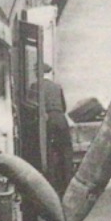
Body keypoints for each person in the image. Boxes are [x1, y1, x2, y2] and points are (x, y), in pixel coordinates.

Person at [28, 64, 74, 192]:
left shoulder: (35, 86)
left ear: (38, 73)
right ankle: (68, 181)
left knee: (47, 150)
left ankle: (51, 184)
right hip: (60, 118)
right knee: (65, 150)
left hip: (47, 119)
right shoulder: (57, 86)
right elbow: (64, 107)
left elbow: (32, 107)